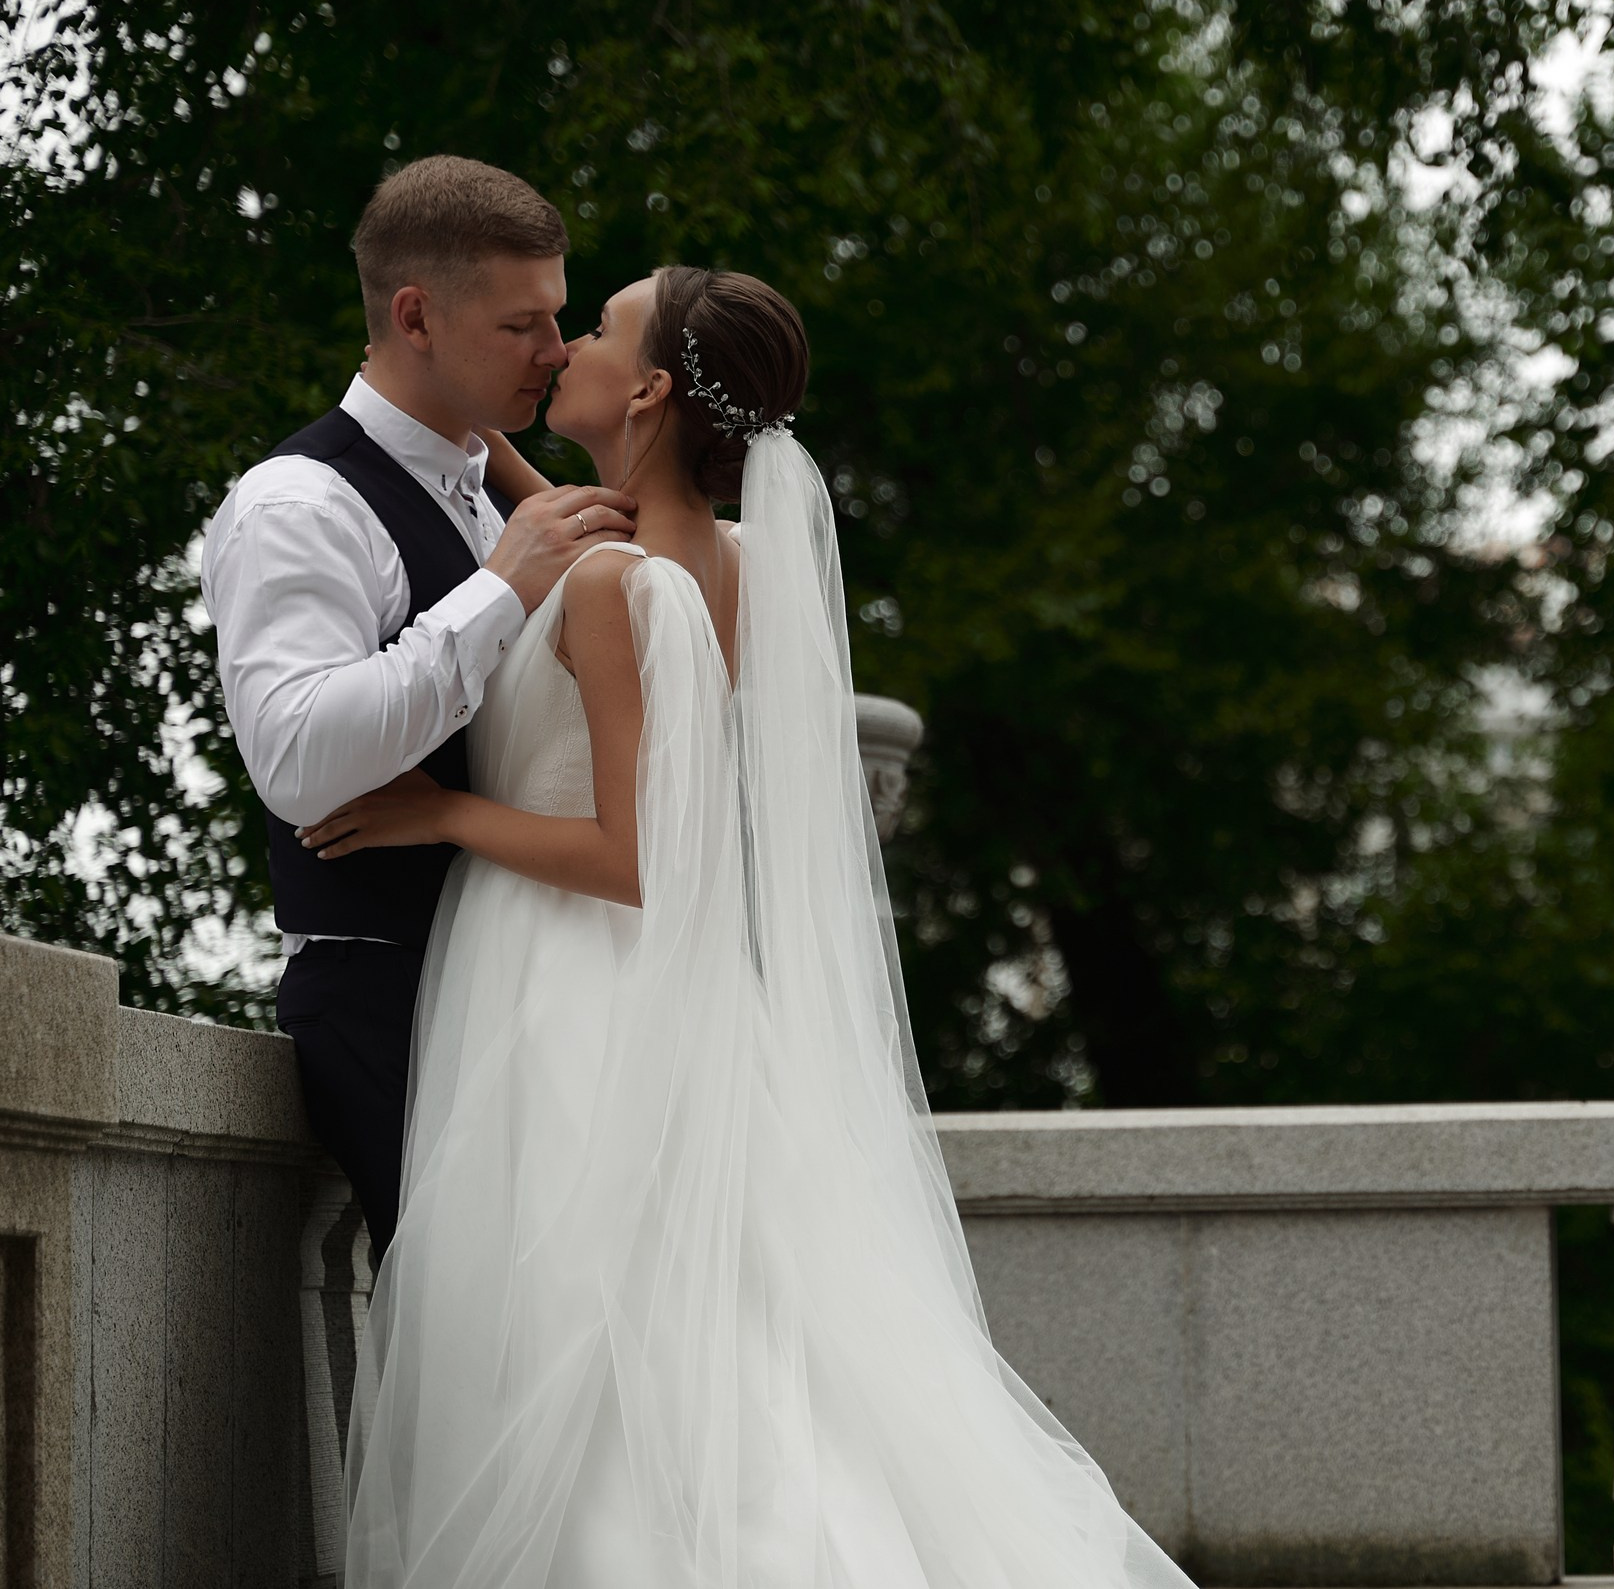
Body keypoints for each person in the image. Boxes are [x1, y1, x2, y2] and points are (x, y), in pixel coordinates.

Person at [300, 265, 1196, 1587]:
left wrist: (439, 814)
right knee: (715, 1347)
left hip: (574, 990)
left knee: (578, 1344)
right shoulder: (733, 562)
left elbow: (638, 855)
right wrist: (453, 414)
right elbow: (587, 541)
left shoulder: (611, 584)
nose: (564, 347)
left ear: (653, 385)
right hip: (692, 1000)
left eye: (595, 329)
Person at [201, 155, 635, 1252]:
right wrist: (501, 589)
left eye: (562, 317)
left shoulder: (507, 491)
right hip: (394, 998)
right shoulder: (298, 501)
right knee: (493, 1352)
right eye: (523, 323)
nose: (556, 349)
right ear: (415, 316)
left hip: (548, 989)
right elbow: (297, 760)